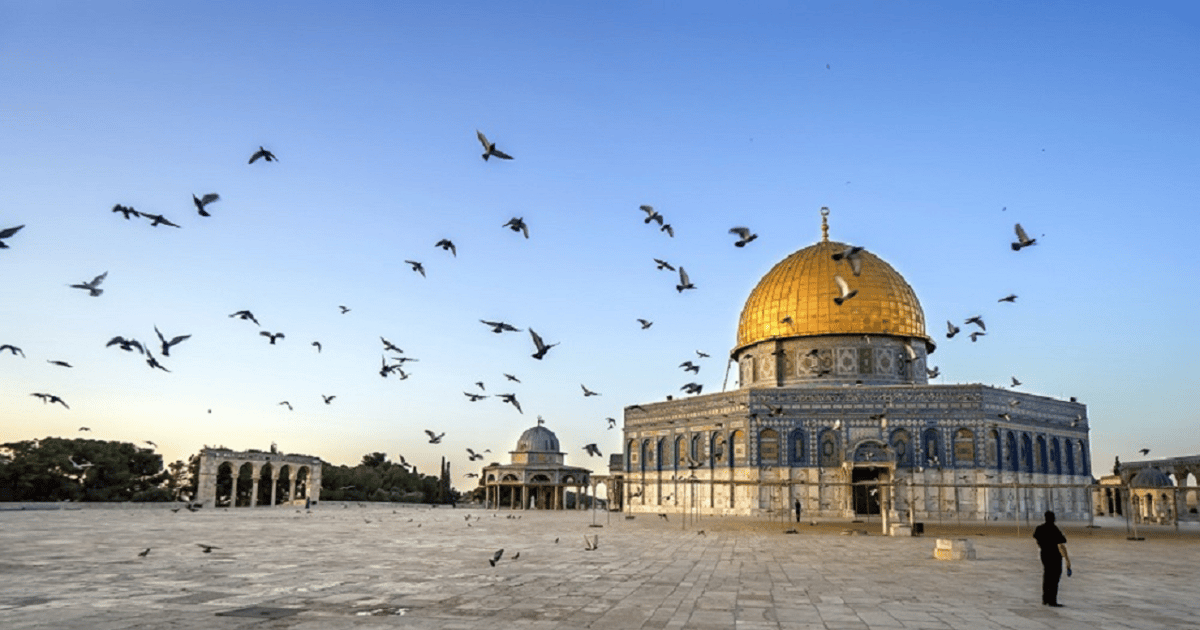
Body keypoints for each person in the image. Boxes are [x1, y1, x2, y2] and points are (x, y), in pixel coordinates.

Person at [1032, 510, 1071, 607]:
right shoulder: (1054, 529)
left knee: (1047, 575)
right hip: (1054, 555)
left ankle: (1045, 599)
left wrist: (1041, 545)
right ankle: (1052, 600)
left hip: (1044, 554)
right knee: (1054, 578)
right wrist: (1067, 559)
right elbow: (1062, 541)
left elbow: (1036, 537)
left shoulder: (1039, 528)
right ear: (1053, 518)